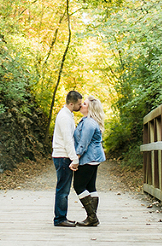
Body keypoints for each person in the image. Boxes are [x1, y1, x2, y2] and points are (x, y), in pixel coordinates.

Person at [72, 95, 106, 227]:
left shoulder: (89, 123)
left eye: (84, 104)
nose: (81, 105)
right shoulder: (87, 121)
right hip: (94, 158)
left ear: (90, 108)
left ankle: (92, 217)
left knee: (79, 186)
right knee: (90, 187)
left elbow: (83, 143)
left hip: (89, 158)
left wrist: (76, 158)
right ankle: (91, 217)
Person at [51, 90, 82, 227]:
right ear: (71, 103)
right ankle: (60, 219)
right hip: (62, 156)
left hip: (63, 155)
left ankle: (61, 216)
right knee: (63, 189)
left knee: (64, 188)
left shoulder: (68, 115)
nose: (80, 106)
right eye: (79, 104)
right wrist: (74, 159)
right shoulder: (64, 117)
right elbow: (67, 140)